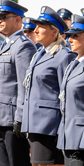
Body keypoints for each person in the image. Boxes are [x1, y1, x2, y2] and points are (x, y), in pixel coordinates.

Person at [21, 6, 76, 166]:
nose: (35, 30)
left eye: (41, 26)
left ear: (54, 32)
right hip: (34, 125)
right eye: (36, 26)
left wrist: (63, 129)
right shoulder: (39, 54)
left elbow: (66, 96)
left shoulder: (63, 56)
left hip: (50, 127)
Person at [0, 0, 37, 166]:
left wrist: (21, 117)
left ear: (17, 20)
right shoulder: (5, 44)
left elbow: (25, 85)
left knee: (17, 162)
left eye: (3, 16)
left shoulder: (24, 46)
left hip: (11, 118)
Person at [57, 14, 84, 166]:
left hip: (81, 141)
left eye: (76, 36)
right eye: (69, 36)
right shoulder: (74, 64)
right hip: (68, 138)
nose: (70, 40)